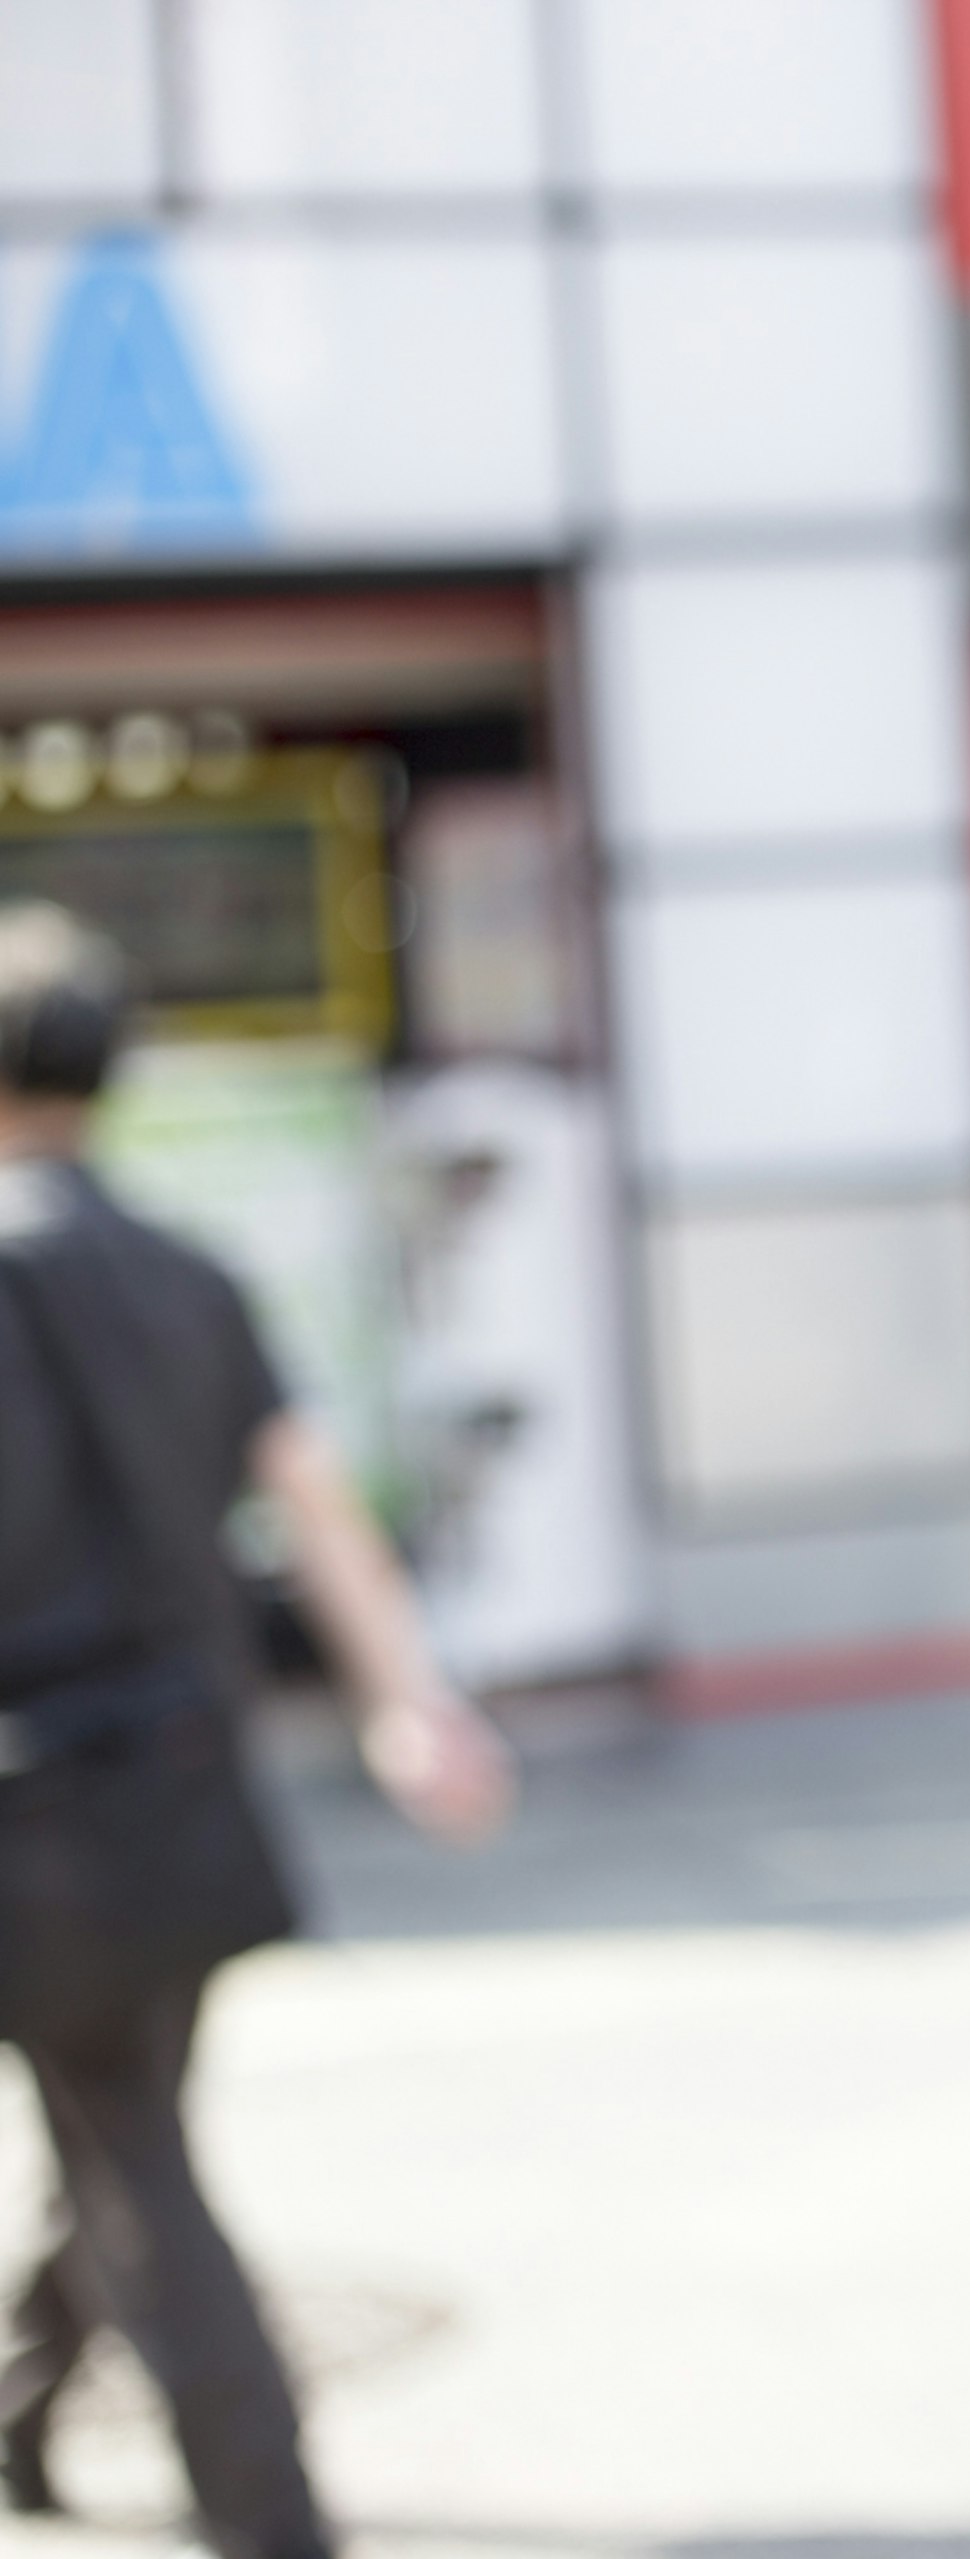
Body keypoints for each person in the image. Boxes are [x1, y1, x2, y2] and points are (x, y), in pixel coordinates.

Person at [0, 903, 514, 2554]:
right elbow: (318, 1510)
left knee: (134, 2143)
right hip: (187, 1789)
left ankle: (268, 2509)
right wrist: (410, 1705)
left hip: (37, 1811)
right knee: (124, 2100)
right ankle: (20, 2406)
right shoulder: (186, 1272)